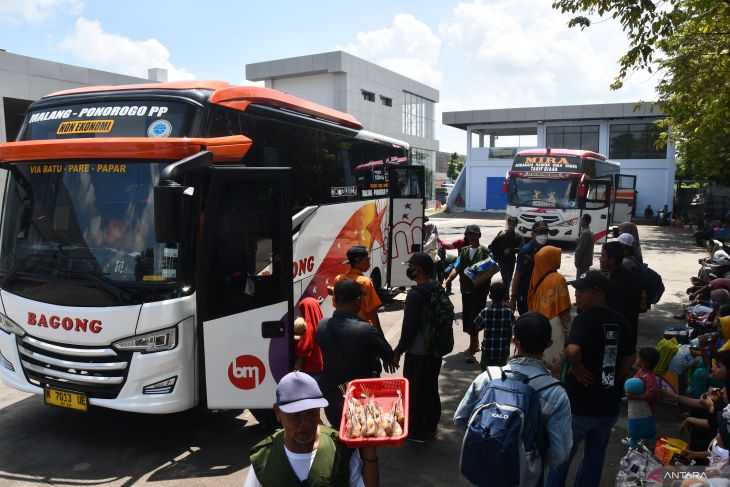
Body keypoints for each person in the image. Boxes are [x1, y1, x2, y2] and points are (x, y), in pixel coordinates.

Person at [454, 312, 573, 484]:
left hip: (479, 475)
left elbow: (460, 418)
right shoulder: (555, 393)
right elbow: (560, 454)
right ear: (549, 343)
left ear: (515, 340)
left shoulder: (488, 378)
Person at [546, 270, 633, 487]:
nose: (577, 295)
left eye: (582, 291)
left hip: (579, 405)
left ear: (598, 293)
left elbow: (572, 351)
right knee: (595, 459)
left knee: (562, 457)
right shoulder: (620, 321)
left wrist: (576, 367)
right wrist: (615, 377)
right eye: (576, 290)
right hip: (608, 405)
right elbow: (631, 356)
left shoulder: (584, 320)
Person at [245, 371, 379, 487]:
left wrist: (368, 450)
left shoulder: (341, 449)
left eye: (311, 413)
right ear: (278, 413)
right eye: (295, 414)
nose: (304, 423)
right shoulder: (263, 457)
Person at [315, 279, 397, 428]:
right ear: (358, 300)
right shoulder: (366, 329)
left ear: (334, 299)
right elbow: (388, 354)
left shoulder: (321, 326)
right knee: (363, 440)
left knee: (341, 434)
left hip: (332, 398)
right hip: (360, 397)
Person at [393, 252, 442, 442]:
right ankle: (431, 425)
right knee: (430, 386)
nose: (408, 270)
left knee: (415, 391)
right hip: (434, 349)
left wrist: (398, 351)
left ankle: (416, 431)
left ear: (419, 270)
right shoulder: (436, 287)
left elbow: (409, 329)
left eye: (410, 267)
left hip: (418, 351)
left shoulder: (415, 294)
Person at [443, 224, 493, 362]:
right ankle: (475, 343)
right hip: (466, 289)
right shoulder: (464, 251)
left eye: (474, 234)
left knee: (476, 316)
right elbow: (456, 268)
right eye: (469, 234)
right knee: (468, 316)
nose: (471, 237)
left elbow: (493, 269)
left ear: (479, 235)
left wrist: (481, 279)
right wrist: (446, 281)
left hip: (480, 291)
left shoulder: (486, 252)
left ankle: (473, 345)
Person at [527, 246, 572, 375]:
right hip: (554, 325)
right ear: (550, 259)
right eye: (557, 256)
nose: (559, 259)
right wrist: (569, 333)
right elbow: (564, 311)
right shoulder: (558, 279)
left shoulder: (535, 275)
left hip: (537, 323)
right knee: (555, 369)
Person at [599, 241, 640, 358]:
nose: (599, 259)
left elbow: (617, 312)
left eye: (603, 256)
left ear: (612, 260)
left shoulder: (619, 281)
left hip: (618, 333)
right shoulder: (615, 274)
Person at [334, 245, 383, 334]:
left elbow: (336, 305)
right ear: (357, 262)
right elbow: (372, 313)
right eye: (367, 260)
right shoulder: (365, 282)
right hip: (361, 330)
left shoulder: (338, 279)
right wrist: (380, 334)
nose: (370, 263)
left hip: (342, 328)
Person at [474, 281, 515, 370]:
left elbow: (477, 327)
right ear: (504, 296)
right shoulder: (509, 312)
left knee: (486, 374)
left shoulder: (485, 311)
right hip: (502, 351)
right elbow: (511, 331)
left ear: (490, 296)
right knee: (500, 375)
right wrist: (508, 347)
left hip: (487, 351)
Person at [510, 220, 549, 314]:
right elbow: (518, 274)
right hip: (525, 295)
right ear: (533, 234)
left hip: (542, 296)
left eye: (545, 232)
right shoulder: (526, 251)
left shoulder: (548, 250)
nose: (543, 235)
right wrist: (513, 298)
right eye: (540, 232)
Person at [624, 347, 660, 448]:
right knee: (634, 421)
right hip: (636, 405)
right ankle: (634, 438)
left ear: (644, 363)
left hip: (646, 408)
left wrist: (634, 397)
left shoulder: (650, 379)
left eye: (638, 358)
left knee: (643, 423)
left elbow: (649, 395)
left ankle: (644, 442)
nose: (636, 360)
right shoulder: (641, 371)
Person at [488, 216, 523, 290]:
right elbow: (491, 246)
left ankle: (504, 296)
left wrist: (511, 250)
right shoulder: (502, 234)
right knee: (505, 278)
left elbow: (521, 249)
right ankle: (506, 297)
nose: (511, 226)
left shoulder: (518, 237)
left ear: (516, 225)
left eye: (513, 224)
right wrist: (499, 237)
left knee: (509, 279)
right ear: (508, 223)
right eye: (510, 223)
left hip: (511, 261)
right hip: (502, 260)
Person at [293, 297, 324, 377]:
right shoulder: (321, 322)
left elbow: (303, 348)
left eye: (302, 310)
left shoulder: (309, 326)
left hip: (310, 367)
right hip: (321, 364)